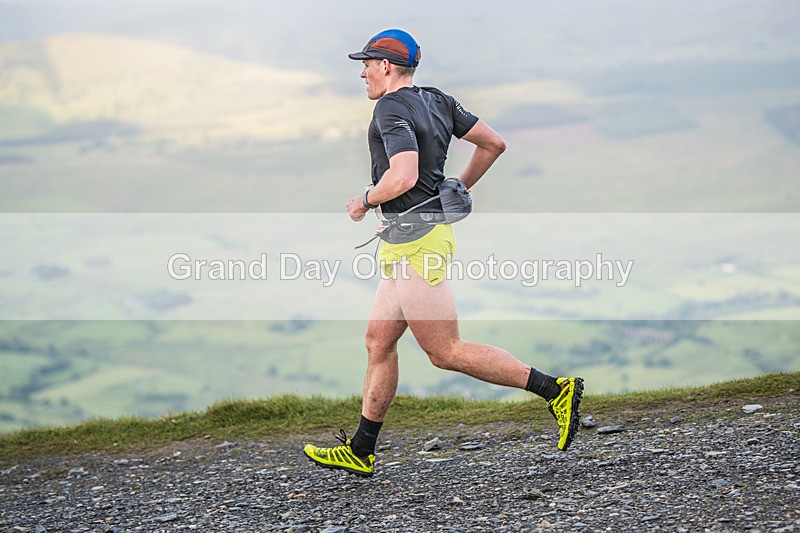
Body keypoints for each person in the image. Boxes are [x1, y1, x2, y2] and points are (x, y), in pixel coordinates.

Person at [303, 29, 583, 477]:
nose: (362, 72)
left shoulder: (390, 108)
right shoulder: (438, 101)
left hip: (419, 244)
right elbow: (494, 144)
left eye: (367, 64)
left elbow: (403, 177)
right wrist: (460, 187)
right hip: (405, 240)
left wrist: (365, 200)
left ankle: (556, 390)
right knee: (379, 342)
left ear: (387, 67)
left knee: (444, 351)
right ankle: (361, 448)